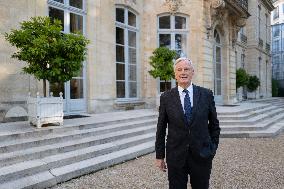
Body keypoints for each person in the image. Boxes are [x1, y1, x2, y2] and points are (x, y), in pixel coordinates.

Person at [155, 57, 220, 189]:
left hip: (202, 156)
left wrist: (211, 149)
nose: (183, 72)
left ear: (192, 72)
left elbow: (214, 126)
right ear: (175, 74)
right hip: (176, 156)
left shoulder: (206, 94)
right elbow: (161, 128)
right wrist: (160, 155)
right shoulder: (166, 97)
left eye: (186, 69)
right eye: (179, 70)